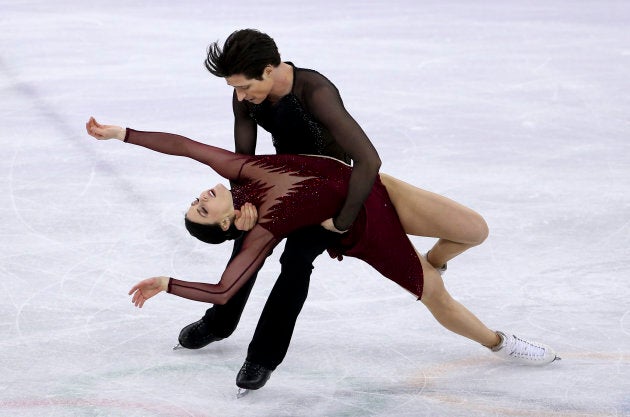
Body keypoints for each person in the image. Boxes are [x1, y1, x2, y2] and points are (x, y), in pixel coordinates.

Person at [85, 118, 560, 387]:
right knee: (435, 296)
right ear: (227, 224)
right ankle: (500, 343)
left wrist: (120, 134)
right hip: (364, 230)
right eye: (202, 211)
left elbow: (183, 145)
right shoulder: (261, 230)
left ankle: (435, 259)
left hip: (379, 189)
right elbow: (225, 288)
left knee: (474, 230)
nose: (200, 199)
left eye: (197, 203)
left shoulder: (239, 168)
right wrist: (166, 284)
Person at [180, 28, 384, 391]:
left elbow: (368, 160)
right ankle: (220, 322)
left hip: (328, 196)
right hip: (280, 185)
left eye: (245, 87)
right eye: (235, 89)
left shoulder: (315, 92)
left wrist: (341, 222)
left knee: (295, 263)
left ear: (269, 70)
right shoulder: (243, 95)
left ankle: (263, 356)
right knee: (245, 242)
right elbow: (243, 159)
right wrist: (243, 203)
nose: (240, 97)